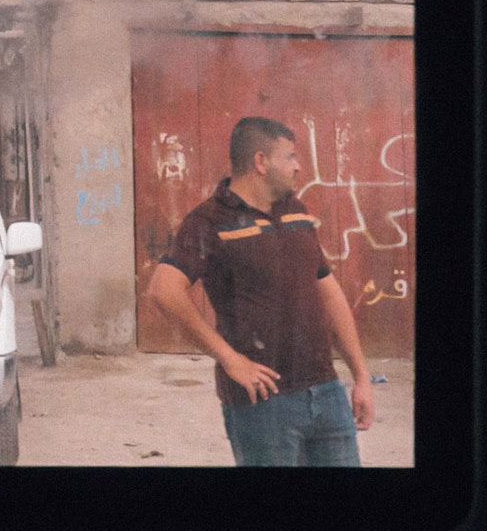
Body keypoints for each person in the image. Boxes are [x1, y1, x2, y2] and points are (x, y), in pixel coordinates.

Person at [147, 115, 376, 466]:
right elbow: (164, 289)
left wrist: (361, 377)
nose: (298, 166)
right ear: (260, 161)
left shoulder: (296, 212)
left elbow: (329, 294)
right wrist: (229, 358)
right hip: (263, 404)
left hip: (326, 392)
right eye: (290, 157)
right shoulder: (209, 221)